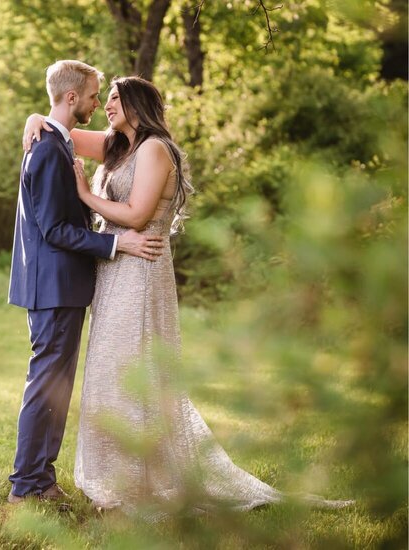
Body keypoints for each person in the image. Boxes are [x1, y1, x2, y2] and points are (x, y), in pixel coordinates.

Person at [21, 75, 350, 515]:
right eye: (104, 97)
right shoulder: (118, 146)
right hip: (113, 272)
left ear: (137, 105)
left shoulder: (155, 149)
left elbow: (137, 214)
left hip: (139, 269)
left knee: (136, 369)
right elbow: (60, 127)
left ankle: (140, 482)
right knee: (109, 370)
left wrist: (85, 194)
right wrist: (32, 118)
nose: (106, 106)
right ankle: (113, 477)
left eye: (115, 99)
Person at [5, 60, 165, 505]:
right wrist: (115, 246)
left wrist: (37, 115)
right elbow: (56, 230)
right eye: (96, 95)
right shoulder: (48, 150)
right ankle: (28, 485)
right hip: (55, 287)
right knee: (46, 384)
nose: (99, 102)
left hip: (60, 287)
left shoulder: (54, 141)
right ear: (72, 97)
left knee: (53, 384)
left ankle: (39, 479)